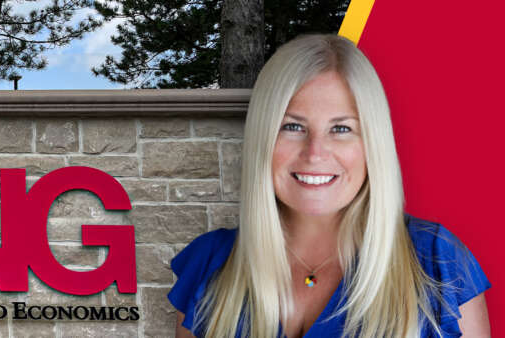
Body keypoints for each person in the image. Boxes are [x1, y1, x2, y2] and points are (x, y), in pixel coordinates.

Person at [167, 34, 491, 337]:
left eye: (341, 129)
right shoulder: (209, 264)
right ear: (262, 138)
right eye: (292, 126)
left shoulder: (438, 261)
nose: (315, 153)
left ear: (372, 144)